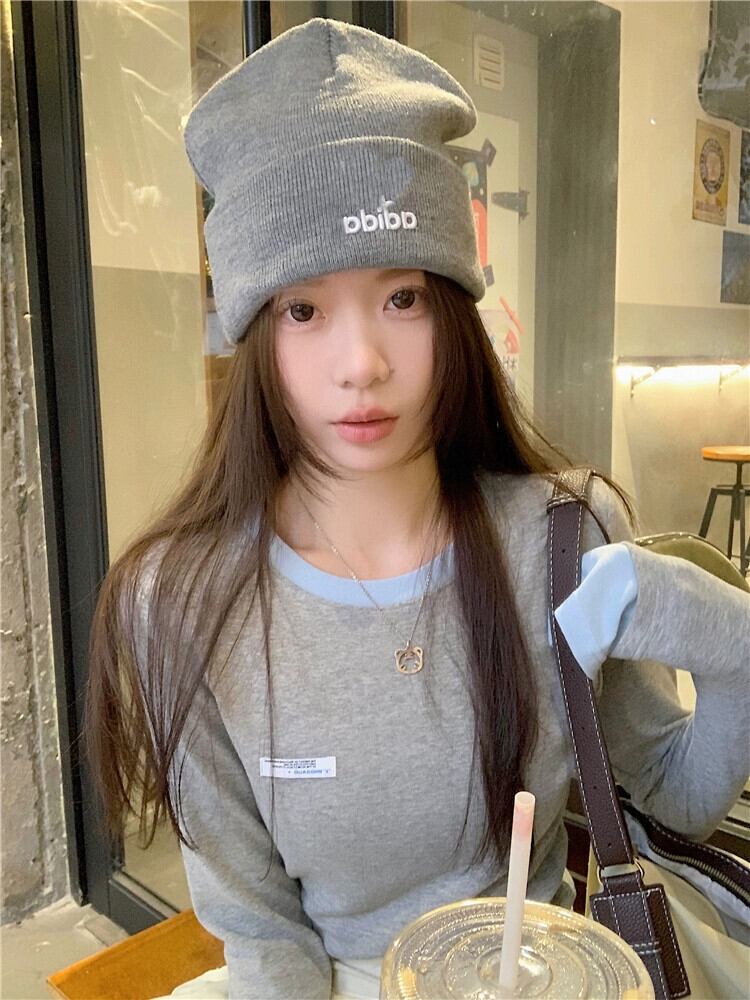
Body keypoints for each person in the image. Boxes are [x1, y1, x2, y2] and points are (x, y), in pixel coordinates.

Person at [85, 18, 750, 1000]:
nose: (362, 363)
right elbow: (262, 936)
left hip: (531, 973)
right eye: (303, 310)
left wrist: (733, 638)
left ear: (453, 308)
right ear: (255, 335)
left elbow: (679, 798)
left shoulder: (564, 538)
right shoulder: (180, 602)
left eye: (402, 297)